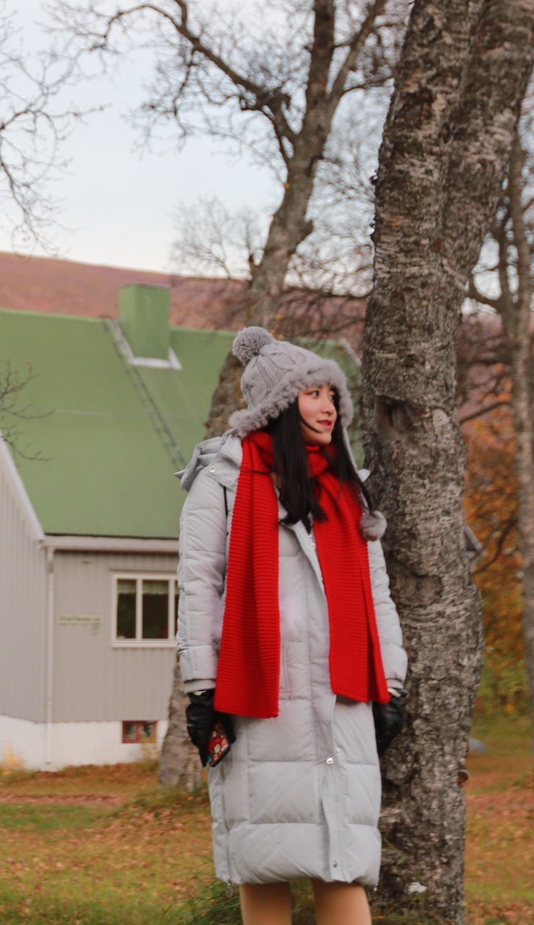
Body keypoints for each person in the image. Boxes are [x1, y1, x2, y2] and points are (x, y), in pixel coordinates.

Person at [175, 327, 408, 925]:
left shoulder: (347, 491)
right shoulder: (222, 483)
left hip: (342, 698)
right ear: (278, 405)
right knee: (263, 859)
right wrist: (201, 688)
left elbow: (376, 594)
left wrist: (393, 684)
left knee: (343, 859)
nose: (329, 405)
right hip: (258, 701)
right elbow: (200, 587)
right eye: (312, 392)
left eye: (332, 393)